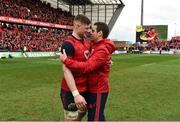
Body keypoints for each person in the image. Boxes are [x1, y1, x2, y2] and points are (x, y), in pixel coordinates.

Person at [60, 22, 116, 121]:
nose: (90, 32)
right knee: (92, 116)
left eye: (93, 30)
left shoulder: (102, 49)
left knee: (96, 118)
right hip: (91, 88)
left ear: (100, 33)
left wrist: (66, 60)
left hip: (98, 89)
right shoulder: (95, 44)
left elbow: (87, 67)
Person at [60, 14, 91, 121]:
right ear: (77, 26)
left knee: (83, 112)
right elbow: (66, 70)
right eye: (86, 28)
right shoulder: (68, 44)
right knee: (71, 118)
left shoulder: (87, 41)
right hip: (71, 90)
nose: (88, 30)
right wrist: (75, 94)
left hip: (85, 88)